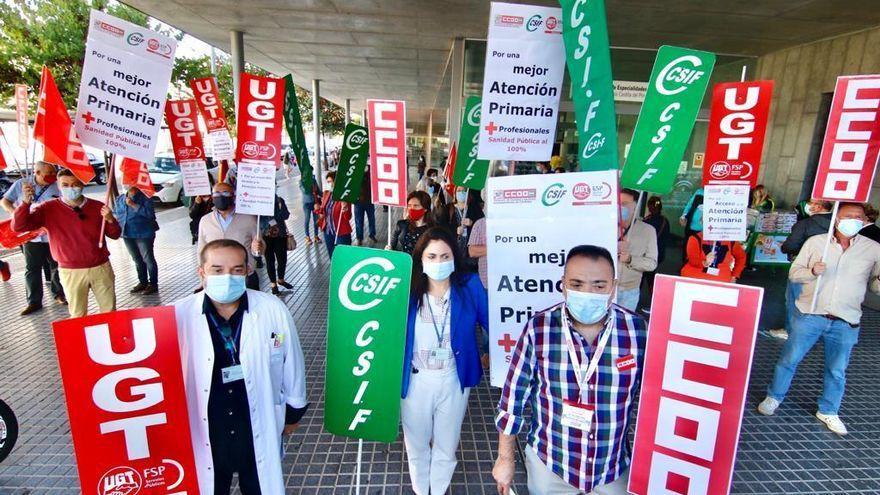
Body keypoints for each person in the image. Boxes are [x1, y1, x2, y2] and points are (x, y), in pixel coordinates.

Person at [493, 245, 646, 495]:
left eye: (599, 285)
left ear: (613, 285)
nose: (588, 293)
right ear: (563, 285)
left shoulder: (638, 331)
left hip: (612, 468)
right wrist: (505, 459)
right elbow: (513, 400)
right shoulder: (539, 329)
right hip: (550, 465)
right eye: (576, 284)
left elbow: (656, 401)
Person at [174, 239, 308, 494]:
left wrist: (293, 412)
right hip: (208, 426)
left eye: (236, 270)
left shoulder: (271, 309)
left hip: (255, 420)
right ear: (201, 272)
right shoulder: (179, 314)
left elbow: (292, 362)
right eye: (217, 270)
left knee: (258, 484)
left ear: (247, 270)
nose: (228, 277)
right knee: (211, 485)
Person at [758, 203, 880, 436]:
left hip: (846, 319)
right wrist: (812, 272)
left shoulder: (873, 249)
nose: (853, 220)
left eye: (858, 217)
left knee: (837, 369)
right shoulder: (816, 243)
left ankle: (829, 410)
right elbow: (794, 274)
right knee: (789, 359)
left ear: (864, 221)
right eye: (847, 216)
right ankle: (774, 397)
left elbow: (875, 287)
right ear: (836, 219)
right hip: (810, 314)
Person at [401, 227, 488, 495]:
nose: (439, 262)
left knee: (447, 444)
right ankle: (419, 489)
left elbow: (492, 323)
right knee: (416, 445)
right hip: (416, 380)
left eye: (444, 256)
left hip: (453, 378)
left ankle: (437, 490)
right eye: (432, 256)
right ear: (421, 260)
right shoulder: (406, 288)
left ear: (454, 256)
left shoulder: (469, 286)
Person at [12, 168, 120, 317]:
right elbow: (19, 226)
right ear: (58, 185)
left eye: (75, 184)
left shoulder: (97, 207)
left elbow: (115, 235)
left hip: (101, 267)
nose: (71, 188)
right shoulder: (48, 208)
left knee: (110, 312)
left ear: (82, 184)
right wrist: (24, 204)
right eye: (65, 185)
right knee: (77, 314)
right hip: (70, 271)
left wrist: (110, 220)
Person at [0, 161, 65, 315]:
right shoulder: (22, 184)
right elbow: (5, 201)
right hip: (31, 236)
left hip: (51, 233)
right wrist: (17, 213)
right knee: (32, 268)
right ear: (37, 172)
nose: (52, 176)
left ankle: (59, 293)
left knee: (57, 265)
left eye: (53, 172)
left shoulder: (58, 185)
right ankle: (34, 301)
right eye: (48, 173)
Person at [770, 200, 834, 339]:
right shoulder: (837, 223)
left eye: (811, 203)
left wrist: (784, 247)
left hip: (805, 267)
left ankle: (790, 331)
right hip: (831, 270)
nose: (808, 205)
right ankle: (815, 331)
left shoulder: (805, 224)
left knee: (795, 300)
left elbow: (790, 246)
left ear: (818, 206)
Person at [197, 182, 263, 291]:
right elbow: (201, 250)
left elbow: (260, 246)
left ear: (234, 196)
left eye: (225, 193)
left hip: (244, 276)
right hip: (216, 278)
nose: (221, 196)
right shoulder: (205, 220)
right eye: (217, 194)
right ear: (212, 197)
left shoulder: (248, 218)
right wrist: (202, 278)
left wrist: (258, 248)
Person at [616, 189, 657, 311]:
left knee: (624, 328)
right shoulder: (606, 227)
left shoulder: (648, 231)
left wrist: (630, 259)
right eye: (618, 203)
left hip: (630, 292)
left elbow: (651, 263)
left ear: (635, 206)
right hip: (605, 288)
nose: (620, 207)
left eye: (624, 204)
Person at [114, 186, 159, 295]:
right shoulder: (120, 199)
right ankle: (142, 282)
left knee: (148, 259)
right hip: (127, 234)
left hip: (144, 233)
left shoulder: (145, 198)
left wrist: (134, 205)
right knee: (137, 259)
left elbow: (150, 215)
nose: (127, 184)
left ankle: (153, 284)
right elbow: (116, 214)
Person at [680, 226, 746, 283]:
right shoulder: (695, 238)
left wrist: (735, 275)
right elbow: (693, 261)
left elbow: (741, 257)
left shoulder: (731, 241)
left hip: (721, 283)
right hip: (694, 280)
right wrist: (705, 262)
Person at [260, 194, 293, 295]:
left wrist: (276, 212)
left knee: (282, 259)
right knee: (270, 260)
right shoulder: (259, 201)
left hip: (280, 235)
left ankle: (281, 279)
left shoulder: (279, 200)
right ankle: (273, 285)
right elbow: (257, 219)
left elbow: (286, 215)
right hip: (265, 235)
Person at [641, 195, 669, 312]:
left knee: (644, 278)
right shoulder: (664, 220)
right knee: (651, 279)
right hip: (659, 254)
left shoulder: (648, 221)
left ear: (650, 206)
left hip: (647, 255)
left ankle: (652, 304)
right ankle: (653, 302)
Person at [315, 171, 352, 257]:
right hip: (328, 232)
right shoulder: (326, 194)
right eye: (328, 182)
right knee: (332, 256)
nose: (329, 184)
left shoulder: (344, 196)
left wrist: (345, 208)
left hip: (341, 232)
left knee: (343, 257)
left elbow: (348, 217)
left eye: (330, 181)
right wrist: (317, 209)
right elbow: (323, 211)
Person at [391, 191, 433, 255]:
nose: (411, 209)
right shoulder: (402, 224)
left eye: (416, 206)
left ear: (425, 209)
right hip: (404, 263)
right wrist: (389, 249)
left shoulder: (433, 229)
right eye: (409, 205)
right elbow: (393, 241)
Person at [354, 166, 378, 245]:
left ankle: (372, 234)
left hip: (369, 200)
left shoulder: (371, 169)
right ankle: (359, 237)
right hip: (358, 201)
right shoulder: (356, 169)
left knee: (371, 219)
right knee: (359, 220)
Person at [678, 187, 704, 262]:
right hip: (690, 228)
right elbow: (690, 205)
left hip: (703, 231)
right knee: (687, 249)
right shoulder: (699, 191)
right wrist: (683, 216)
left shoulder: (718, 193)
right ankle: (685, 264)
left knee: (699, 251)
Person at [300, 173, 320, 245]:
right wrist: (308, 183)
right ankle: (307, 237)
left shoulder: (313, 180)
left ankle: (316, 236)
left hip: (315, 203)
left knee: (316, 220)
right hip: (306, 204)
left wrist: (325, 195)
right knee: (307, 220)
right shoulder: (302, 181)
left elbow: (318, 191)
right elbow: (305, 191)